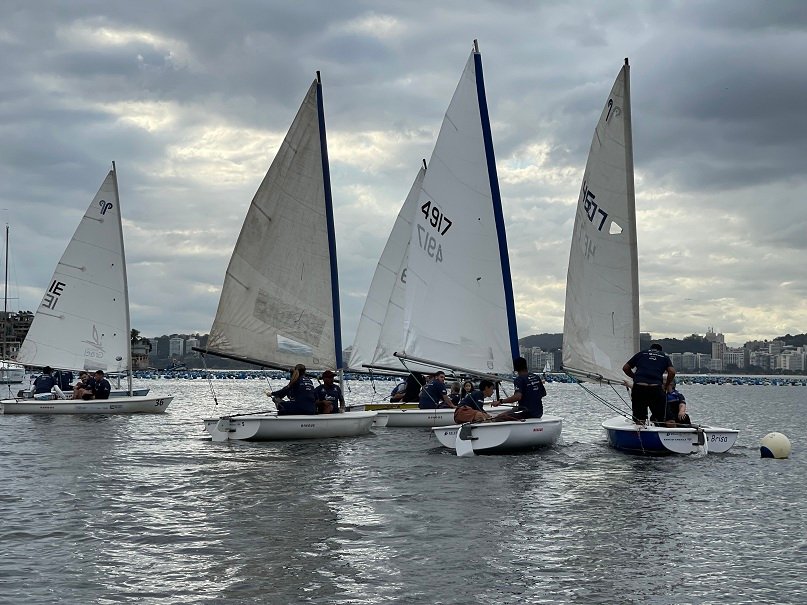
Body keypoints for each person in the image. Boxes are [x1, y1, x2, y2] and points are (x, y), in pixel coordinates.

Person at [622, 343, 675, 426]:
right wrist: (666, 385)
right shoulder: (664, 356)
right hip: (656, 388)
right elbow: (672, 372)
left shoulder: (641, 354)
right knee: (668, 418)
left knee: (640, 419)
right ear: (660, 350)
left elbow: (625, 368)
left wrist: (635, 377)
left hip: (639, 387)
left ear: (650, 349)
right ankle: (674, 435)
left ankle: (640, 434)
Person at [492, 357, 547, 421]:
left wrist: (500, 401)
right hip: (539, 412)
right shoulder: (536, 377)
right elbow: (543, 393)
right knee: (507, 412)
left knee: (498, 418)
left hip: (526, 413)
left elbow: (517, 397)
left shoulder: (519, 379)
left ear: (515, 368)